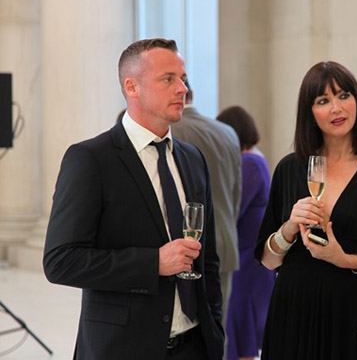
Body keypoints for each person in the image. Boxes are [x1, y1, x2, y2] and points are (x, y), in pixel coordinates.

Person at [43, 38, 224, 359]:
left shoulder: (193, 158)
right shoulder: (90, 159)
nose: (182, 88)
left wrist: (215, 329)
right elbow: (61, 262)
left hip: (195, 346)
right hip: (122, 348)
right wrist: (153, 263)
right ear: (132, 87)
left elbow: (208, 259)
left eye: (183, 78)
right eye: (168, 79)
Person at [254, 61, 357, 359]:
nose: (336, 108)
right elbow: (268, 261)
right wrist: (290, 227)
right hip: (294, 311)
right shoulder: (290, 168)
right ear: (309, 112)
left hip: (355, 313)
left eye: (344, 95)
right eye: (323, 100)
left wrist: (344, 259)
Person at [172, 80, 242, 335]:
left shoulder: (172, 131)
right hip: (226, 241)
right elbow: (236, 194)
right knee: (216, 328)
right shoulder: (227, 132)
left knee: (186, 332)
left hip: (189, 249)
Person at [217, 106, 275, 360]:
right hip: (250, 259)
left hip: (246, 263)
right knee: (243, 334)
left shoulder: (248, 163)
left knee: (240, 333)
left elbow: (233, 209)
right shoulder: (256, 160)